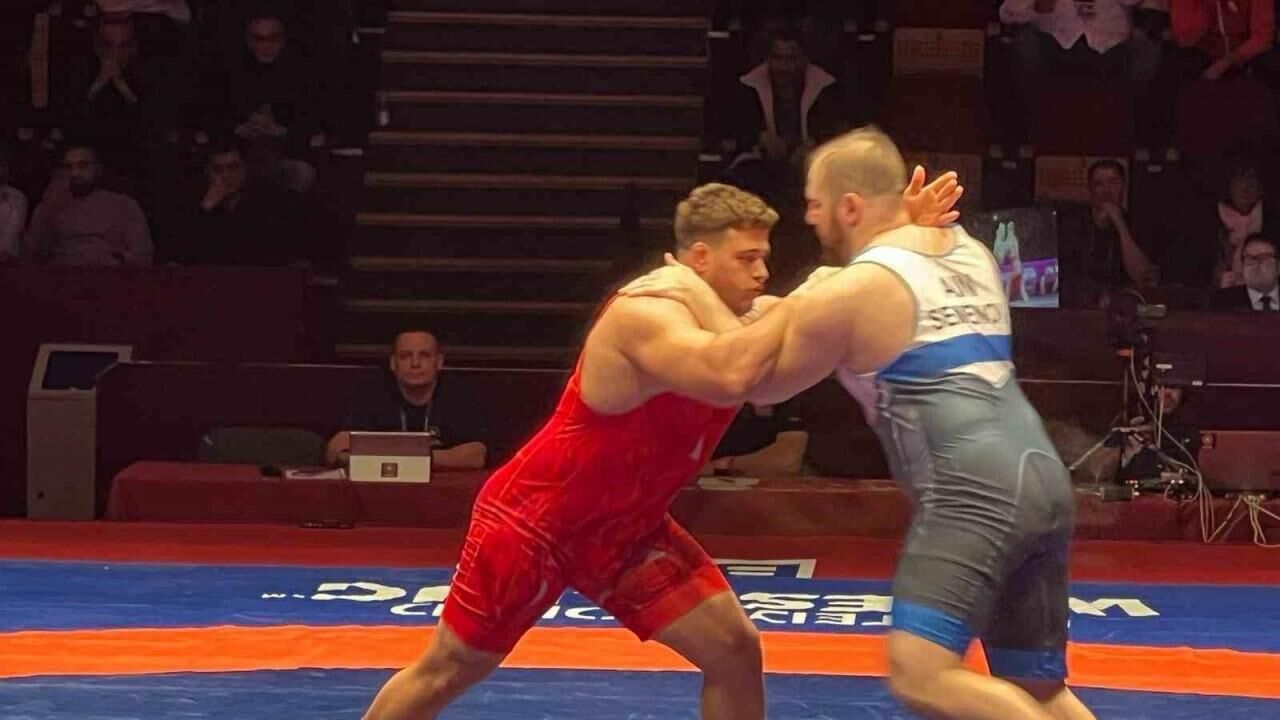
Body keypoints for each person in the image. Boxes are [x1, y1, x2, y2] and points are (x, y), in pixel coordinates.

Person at [360, 174, 962, 720]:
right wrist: (792, 298)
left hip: (625, 529)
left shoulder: (742, 317)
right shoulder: (646, 312)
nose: (761, 273)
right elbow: (731, 373)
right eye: (746, 259)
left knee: (734, 650)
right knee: (448, 670)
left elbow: (782, 370)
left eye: (764, 258)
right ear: (699, 258)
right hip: (536, 525)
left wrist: (895, 240)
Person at [624, 127, 1093, 720]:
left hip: (974, 492)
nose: (811, 221)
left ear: (849, 206)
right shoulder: (967, 247)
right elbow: (863, 283)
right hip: (1043, 474)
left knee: (923, 676)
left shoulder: (854, 290)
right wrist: (812, 292)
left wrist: (697, 297)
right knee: (1039, 689)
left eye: (816, 205)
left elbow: (756, 382)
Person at [327, 330, 488, 470]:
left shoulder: (458, 396)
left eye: (424, 355)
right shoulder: (373, 394)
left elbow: (477, 455)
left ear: (439, 362)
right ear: (393, 363)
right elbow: (335, 450)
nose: (415, 364)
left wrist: (406, 457)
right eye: (405, 356)